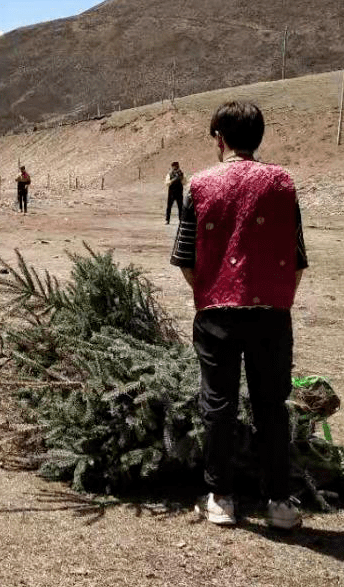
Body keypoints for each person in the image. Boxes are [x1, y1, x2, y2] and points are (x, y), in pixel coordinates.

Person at [170, 101, 307, 530]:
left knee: (219, 404)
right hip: (271, 314)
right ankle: (280, 503)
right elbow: (297, 257)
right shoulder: (282, 183)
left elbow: (186, 257)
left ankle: (221, 497)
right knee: (272, 406)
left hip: (217, 314)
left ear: (220, 137)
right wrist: (275, 299)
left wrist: (209, 293)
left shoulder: (201, 184)